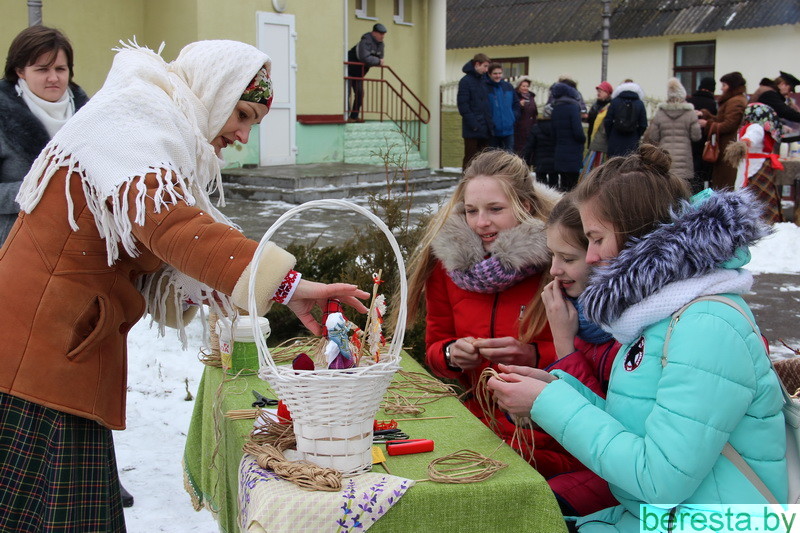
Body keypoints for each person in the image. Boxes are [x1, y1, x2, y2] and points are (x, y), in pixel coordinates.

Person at [0, 40, 369, 532]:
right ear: (214, 92)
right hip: (41, 345)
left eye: (254, 123)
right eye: (242, 115)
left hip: (63, 337)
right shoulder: (135, 118)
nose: (242, 136)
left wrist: (276, 291)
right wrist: (287, 285)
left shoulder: (157, 125)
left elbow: (167, 248)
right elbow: (171, 226)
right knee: (49, 512)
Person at [489, 144, 787, 532]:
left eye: (596, 238)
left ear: (635, 235)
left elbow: (660, 481)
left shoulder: (706, 325)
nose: (591, 257)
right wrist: (558, 388)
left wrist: (550, 403)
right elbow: (639, 429)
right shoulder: (657, 314)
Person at [404, 149, 560, 464]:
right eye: (471, 211)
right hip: (478, 426)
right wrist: (451, 354)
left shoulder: (559, 263)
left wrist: (533, 356)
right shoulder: (446, 267)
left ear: (525, 206)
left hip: (547, 432)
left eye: (495, 209)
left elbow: (592, 358)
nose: (481, 222)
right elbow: (434, 349)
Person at [538, 195, 621, 517]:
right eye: (553, 255)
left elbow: (608, 424)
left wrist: (563, 343)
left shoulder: (624, 329)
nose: (554, 270)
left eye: (568, 258)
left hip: (620, 473)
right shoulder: (577, 311)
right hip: (591, 462)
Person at [0, 25, 89, 246]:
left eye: (60, 69)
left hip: (81, 245)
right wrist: (38, 190)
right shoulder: (3, 116)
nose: (53, 78)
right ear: (20, 71)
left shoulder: (90, 114)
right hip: (16, 247)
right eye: (42, 70)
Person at [724, 102, 785, 223]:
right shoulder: (758, 127)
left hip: (755, 167)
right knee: (760, 195)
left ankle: (759, 220)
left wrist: (743, 143)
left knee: (755, 194)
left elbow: (752, 137)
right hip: (758, 164)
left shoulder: (755, 127)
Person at [642, 78, 701, 186]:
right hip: (684, 159)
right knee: (684, 190)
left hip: (665, 157)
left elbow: (653, 137)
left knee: (667, 187)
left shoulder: (660, 113)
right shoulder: (690, 112)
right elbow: (696, 136)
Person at [698, 71, 747, 190]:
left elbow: (729, 125)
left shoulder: (736, 101)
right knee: (722, 181)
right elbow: (722, 120)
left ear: (732, 86)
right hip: (725, 147)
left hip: (728, 148)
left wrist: (707, 124)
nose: (721, 88)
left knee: (725, 183)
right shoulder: (734, 100)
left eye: (724, 85)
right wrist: (706, 115)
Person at [457, 53, 492, 168]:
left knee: (484, 160)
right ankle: (466, 179)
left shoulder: (484, 80)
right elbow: (463, 106)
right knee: (470, 159)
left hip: (485, 127)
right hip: (472, 129)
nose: (486, 70)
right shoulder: (465, 81)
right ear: (477, 64)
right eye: (485, 66)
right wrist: (474, 125)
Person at [549, 81, 585, 191]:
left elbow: (553, 133)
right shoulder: (573, 107)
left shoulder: (556, 108)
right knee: (573, 185)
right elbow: (578, 132)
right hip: (573, 152)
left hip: (560, 151)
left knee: (563, 184)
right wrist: (583, 139)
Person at [347, 23, 386, 121]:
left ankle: (354, 116)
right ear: (374, 33)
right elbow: (364, 58)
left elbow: (380, 59)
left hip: (359, 73)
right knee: (347, 93)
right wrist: (377, 61)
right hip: (348, 70)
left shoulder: (381, 45)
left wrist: (375, 61)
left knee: (360, 93)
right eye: (381, 34)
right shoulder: (365, 41)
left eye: (383, 34)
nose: (382, 36)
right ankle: (346, 117)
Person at [687, 77, 718, 192]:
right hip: (704, 144)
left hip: (688, 142)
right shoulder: (712, 104)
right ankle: (700, 193)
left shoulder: (689, 101)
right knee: (702, 173)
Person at [603, 80, 647, 157]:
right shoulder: (640, 103)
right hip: (632, 141)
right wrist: (637, 135)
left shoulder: (614, 102)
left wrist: (610, 135)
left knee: (614, 163)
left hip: (615, 140)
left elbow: (607, 121)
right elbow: (643, 124)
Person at [486, 63, 520, 151]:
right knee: (493, 157)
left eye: (500, 73)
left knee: (509, 157)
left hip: (509, 130)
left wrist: (513, 117)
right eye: (495, 73)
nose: (498, 76)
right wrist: (490, 123)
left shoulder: (508, 86)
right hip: (493, 132)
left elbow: (516, 103)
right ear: (489, 74)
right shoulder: (485, 88)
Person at [523, 103, 557, 187]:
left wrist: (526, 161)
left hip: (540, 162)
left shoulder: (536, 127)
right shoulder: (558, 128)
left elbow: (529, 146)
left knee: (541, 186)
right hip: (555, 162)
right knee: (554, 186)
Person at [513, 75, 538, 156]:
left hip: (531, 126)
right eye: (523, 86)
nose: (525, 88)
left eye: (527, 86)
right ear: (519, 86)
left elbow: (534, 111)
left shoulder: (531, 96)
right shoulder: (515, 96)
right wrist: (519, 105)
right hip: (519, 128)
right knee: (520, 149)